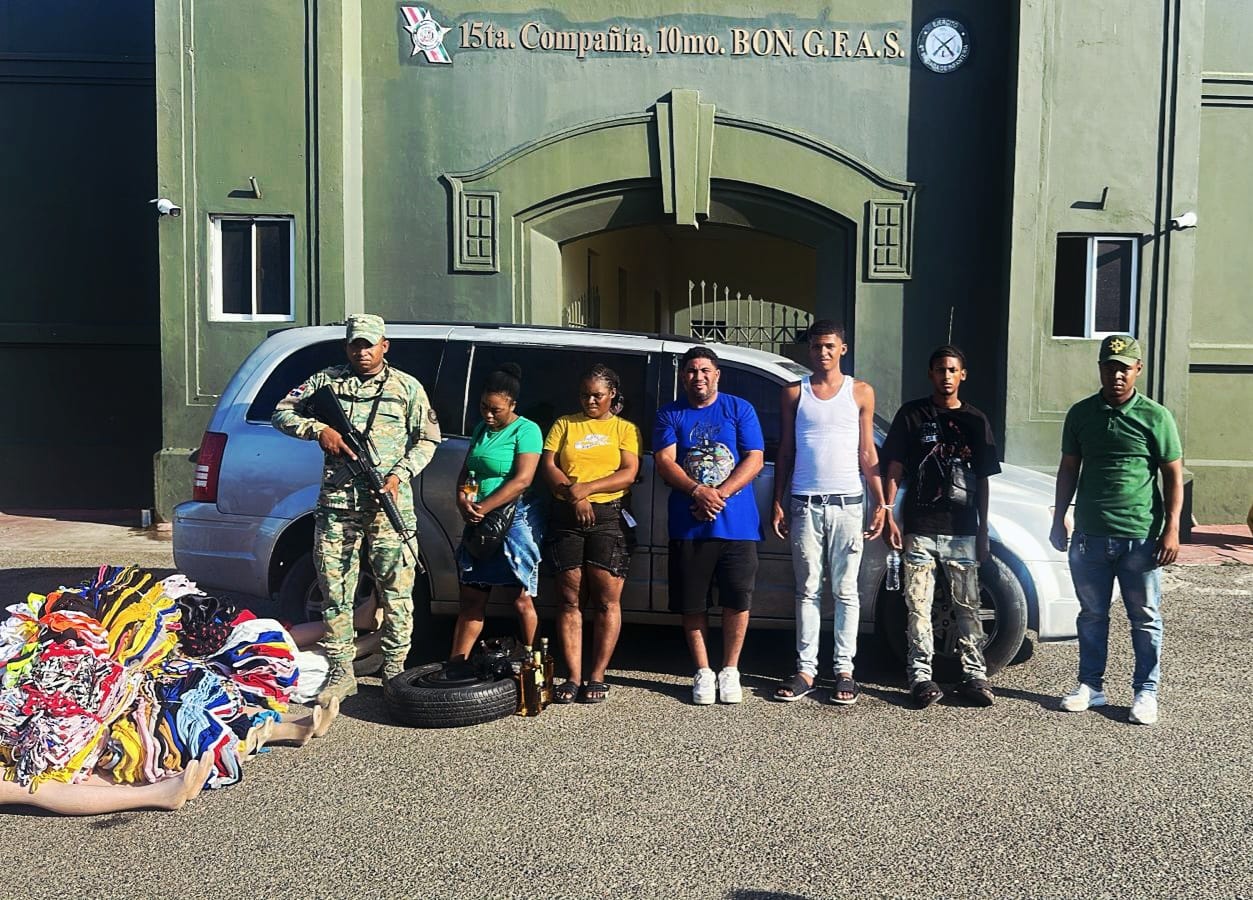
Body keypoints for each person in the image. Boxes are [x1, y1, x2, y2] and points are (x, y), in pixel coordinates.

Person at [272, 314, 441, 704]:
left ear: (385, 345)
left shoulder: (406, 387)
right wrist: (320, 430)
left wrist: (399, 474)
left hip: (387, 504)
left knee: (397, 592)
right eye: (355, 345)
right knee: (336, 591)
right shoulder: (326, 381)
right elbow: (282, 412)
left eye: (369, 344)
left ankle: (394, 670)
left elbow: (428, 440)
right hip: (338, 505)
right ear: (346, 346)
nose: (362, 352)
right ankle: (341, 672)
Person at [1049, 334, 1183, 726]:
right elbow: (1069, 468)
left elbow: (1173, 475)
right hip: (1089, 536)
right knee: (1092, 614)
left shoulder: (1156, 417)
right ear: (1100, 369)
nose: (1117, 375)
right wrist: (1059, 518)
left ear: (1138, 369)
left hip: (1140, 537)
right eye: (1110, 367)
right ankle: (1091, 686)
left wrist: (1172, 528)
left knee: (1145, 616)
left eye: (1124, 368)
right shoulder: (1081, 414)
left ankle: (1146, 691)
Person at [771, 320, 886, 705]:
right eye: (816, 346)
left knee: (846, 590)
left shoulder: (860, 392)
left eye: (829, 346)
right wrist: (777, 499)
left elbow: (867, 452)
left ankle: (844, 671)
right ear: (809, 350)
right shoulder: (794, 393)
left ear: (842, 349)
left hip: (848, 504)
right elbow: (786, 449)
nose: (822, 352)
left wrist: (882, 503)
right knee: (807, 589)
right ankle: (806, 670)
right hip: (804, 503)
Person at [882, 345, 1002, 708]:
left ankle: (975, 676)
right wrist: (888, 513)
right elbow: (894, 467)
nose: (946, 376)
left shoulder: (976, 420)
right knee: (918, 606)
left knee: (968, 605)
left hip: (962, 530)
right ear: (930, 374)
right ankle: (920, 677)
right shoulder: (912, 415)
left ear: (962, 375)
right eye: (940, 369)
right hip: (919, 527)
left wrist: (983, 530)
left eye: (952, 370)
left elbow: (983, 479)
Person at [654, 347, 765, 705]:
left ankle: (730, 669)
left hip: (737, 525)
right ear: (683, 376)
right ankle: (703, 671)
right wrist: (697, 491)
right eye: (691, 371)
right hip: (689, 525)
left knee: (737, 599)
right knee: (693, 603)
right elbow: (665, 461)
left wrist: (719, 495)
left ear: (717, 374)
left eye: (705, 370)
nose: (698, 377)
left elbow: (755, 458)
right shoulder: (670, 413)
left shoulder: (739, 409)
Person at [540, 364, 641, 704]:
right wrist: (574, 496)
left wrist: (587, 489)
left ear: (612, 394)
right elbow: (549, 465)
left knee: (606, 599)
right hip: (566, 515)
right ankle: (573, 675)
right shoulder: (565, 424)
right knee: (570, 598)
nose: (590, 401)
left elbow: (628, 472)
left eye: (598, 395)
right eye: (585, 395)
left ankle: (597, 674)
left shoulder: (624, 428)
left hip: (608, 516)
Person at [448, 364, 545, 659]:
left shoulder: (527, 430)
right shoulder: (481, 429)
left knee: (521, 599)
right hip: (480, 521)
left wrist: (484, 507)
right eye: (483, 407)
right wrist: (462, 499)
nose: (488, 415)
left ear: (512, 405)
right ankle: (457, 662)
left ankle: (531, 661)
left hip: (512, 522)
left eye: (496, 410)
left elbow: (523, 480)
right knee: (471, 598)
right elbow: (468, 470)